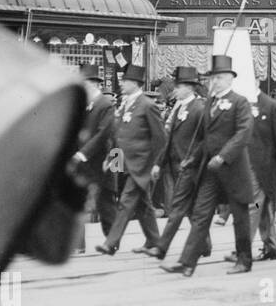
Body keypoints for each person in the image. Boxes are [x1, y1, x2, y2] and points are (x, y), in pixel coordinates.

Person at [162, 55, 254, 277]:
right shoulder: (209, 104)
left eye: (221, 77)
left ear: (231, 79)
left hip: (233, 170)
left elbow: (244, 133)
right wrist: (192, 159)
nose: (216, 82)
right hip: (209, 171)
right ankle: (187, 262)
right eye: (213, 78)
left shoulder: (240, 102)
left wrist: (223, 156)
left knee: (240, 217)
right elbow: (205, 139)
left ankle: (244, 260)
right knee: (201, 214)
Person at [96, 64, 166, 255]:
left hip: (141, 165)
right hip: (126, 164)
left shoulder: (148, 105)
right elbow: (119, 136)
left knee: (126, 201)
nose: (122, 84)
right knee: (144, 205)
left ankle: (110, 243)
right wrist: (111, 159)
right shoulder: (125, 103)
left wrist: (155, 164)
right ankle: (154, 241)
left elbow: (160, 139)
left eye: (125, 81)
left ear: (135, 83)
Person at [146, 65, 207, 260]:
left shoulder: (199, 109)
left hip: (190, 167)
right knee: (189, 209)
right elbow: (167, 138)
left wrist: (192, 160)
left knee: (177, 207)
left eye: (178, 86)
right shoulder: (179, 107)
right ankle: (205, 244)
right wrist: (158, 163)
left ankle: (161, 247)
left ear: (189, 87)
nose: (175, 90)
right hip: (173, 165)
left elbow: (207, 140)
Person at [229, 89, 276, 263]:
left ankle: (243, 249)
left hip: (264, 169)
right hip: (245, 167)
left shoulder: (271, 106)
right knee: (262, 207)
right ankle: (271, 246)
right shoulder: (240, 105)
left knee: (253, 206)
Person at [72, 63, 118, 239]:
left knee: (105, 202)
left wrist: (82, 153)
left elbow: (103, 134)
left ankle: (112, 239)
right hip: (86, 161)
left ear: (93, 84)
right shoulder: (85, 104)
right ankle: (80, 243)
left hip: (104, 160)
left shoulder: (105, 105)